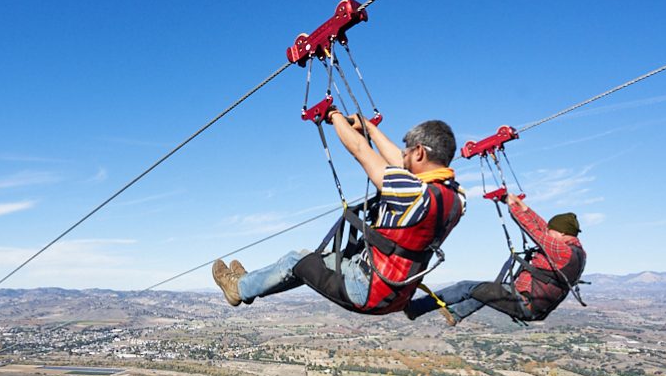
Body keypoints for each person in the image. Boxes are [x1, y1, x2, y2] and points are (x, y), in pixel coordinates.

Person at [212, 109, 464, 315]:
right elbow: (400, 164)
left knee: (294, 260)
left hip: (368, 287)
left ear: (419, 152)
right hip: (397, 292)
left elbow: (360, 150)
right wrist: (370, 128)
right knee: (308, 262)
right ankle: (250, 284)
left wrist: (333, 115)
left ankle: (239, 288)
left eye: (407, 152)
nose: (402, 156)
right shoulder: (456, 199)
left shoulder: (412, 192)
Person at [403, 195, 586, 326]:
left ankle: (415, 308)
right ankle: (456, 314)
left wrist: (513, 207)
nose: (548, 233)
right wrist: (524, 208)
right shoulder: (577, 252)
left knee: (465, 287)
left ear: (562, 233)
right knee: (486, 290)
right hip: (531, 303)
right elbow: (543, 228)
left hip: (525, 303)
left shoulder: (561, 251)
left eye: (552, 231)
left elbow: (535, 231)